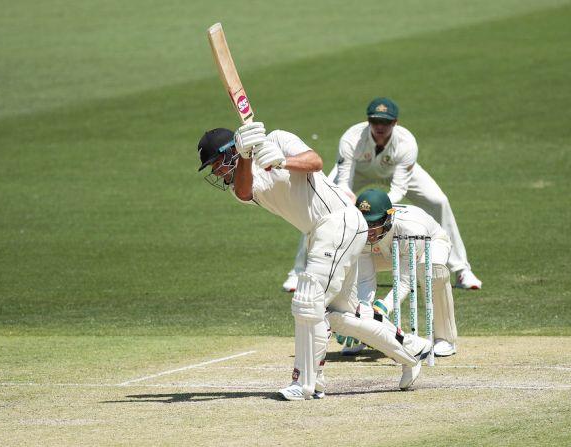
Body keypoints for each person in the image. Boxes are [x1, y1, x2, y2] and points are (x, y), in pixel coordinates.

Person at [197, 123, 432, 400]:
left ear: (228, 154)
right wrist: (248, 156)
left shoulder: (279, 139)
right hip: (321, 233)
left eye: (216, 165)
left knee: (309, 301)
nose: (216, 172)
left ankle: (307, 383)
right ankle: (411, 351)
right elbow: (246, 191)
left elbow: (315, 162)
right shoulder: (242, 182)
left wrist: (283, 161)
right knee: (344, 315)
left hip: (338, 220)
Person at [282, 97, 481, 292]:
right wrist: (354, 203)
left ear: (395, 122)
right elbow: (344, 182)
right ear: (368, 121)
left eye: (385, 122)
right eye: (375, 121)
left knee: (439, 201)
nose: (380, 126)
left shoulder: (406, 142)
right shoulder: (351, 138)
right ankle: (299, 272)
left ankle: (462, 270)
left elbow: (399, 190)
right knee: (320, 206)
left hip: (394, 171)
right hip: (359, 171)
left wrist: (377, 207)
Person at [337, 189, 458, 357]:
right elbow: (364, 278)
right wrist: (362, 317)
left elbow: (406, 280)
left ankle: (445, 339)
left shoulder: (412, 229)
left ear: (387, 218)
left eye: (374, 223)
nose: (369, 229)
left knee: (432, 271)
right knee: (348, 267)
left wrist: (383, 307)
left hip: (428, 242)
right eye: (365, 223)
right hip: (384, 249)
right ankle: (364, 336)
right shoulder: (359, 231)